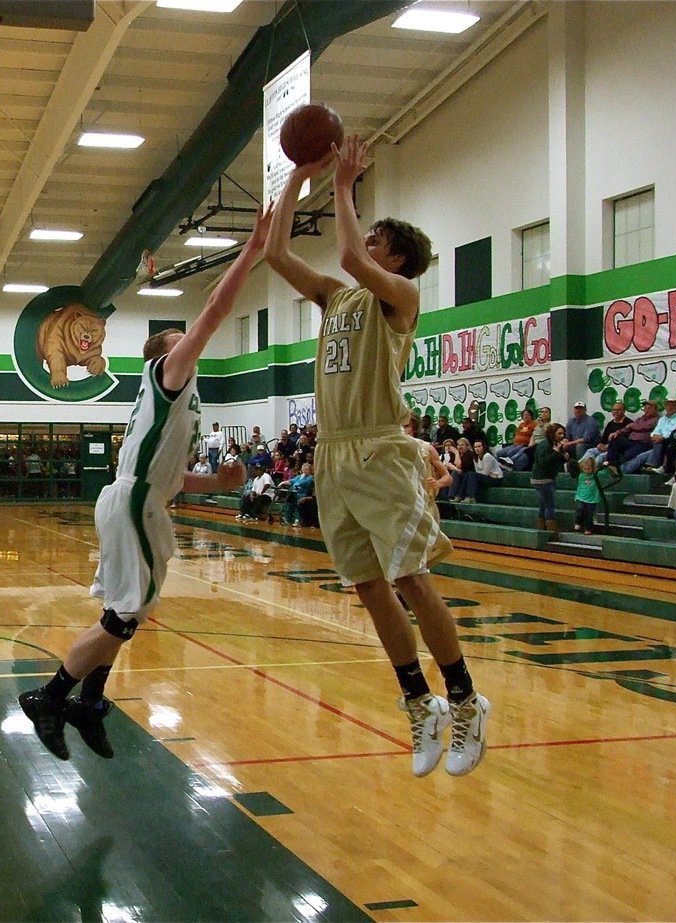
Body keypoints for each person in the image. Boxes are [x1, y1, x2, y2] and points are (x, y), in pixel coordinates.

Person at [265, 136, 489, 778]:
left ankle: (467, 700)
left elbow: (341, 249)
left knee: (412, 579)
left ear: (396, 257)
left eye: (376, 238)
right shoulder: (337, 298)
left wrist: (342, 183)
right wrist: (294, 180)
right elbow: (277, 253)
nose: (364, 243)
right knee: (367, 585)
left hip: (380, 447)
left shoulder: (399, 299)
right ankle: (421, 705)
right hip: (333, 454)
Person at [16, 207, 265, 762]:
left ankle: (91, 701)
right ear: (165, 355)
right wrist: (251, 251)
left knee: (129, 609)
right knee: (125, 615)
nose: (182, 337)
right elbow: (217, 310)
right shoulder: (170, 375)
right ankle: (52, 698)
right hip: (132, 500)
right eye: (175, 337)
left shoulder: (176, 403)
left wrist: (217, 482)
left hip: (139, 497)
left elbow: (173, 481)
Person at [531, 423, 568, 537]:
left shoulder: (554, 444)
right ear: (552, 434)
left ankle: (541, 530)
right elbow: (543, 463)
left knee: (543, 505)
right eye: (559, 433)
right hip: (543, 479)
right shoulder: (544, 445)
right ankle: (551, 532)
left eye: (563, 433)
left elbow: (554, 461)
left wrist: (563, 456)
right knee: (549, 505)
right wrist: (557, 453)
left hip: (546, 478)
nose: (562, 436)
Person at [602, 401, 659, 474]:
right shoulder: (640, 419)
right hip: (631, 441)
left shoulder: (656, 420)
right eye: (645, 408)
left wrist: (632, 426)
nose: (647, 410)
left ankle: (620, 470)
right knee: (615, 439)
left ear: (655, 410)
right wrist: (617, 432)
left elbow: (643, 427)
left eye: (650, 408)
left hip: (643, 444)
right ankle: (611, 464)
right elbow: (626, 428)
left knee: (628, 454)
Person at [639, 398, 676, 474]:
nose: (669, 408)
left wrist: (662, 437)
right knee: (640, 456)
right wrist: (655, 436)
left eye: (672, 406)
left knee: (659, 443)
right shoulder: (663, 419)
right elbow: (656, 431)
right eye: (667, 406)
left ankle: (653, 465)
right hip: (659, 441)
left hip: (674, 441)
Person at [561, 402, 600, 474]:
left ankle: (580, 470)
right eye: (576, 409)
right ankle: (563, 469)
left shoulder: (591, 421)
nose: (578, 411)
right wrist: (565, 442)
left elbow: (586, 439)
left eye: (580, 409)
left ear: (585, 410)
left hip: (590, 445)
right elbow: (567, 436)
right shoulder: (571, 421)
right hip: (573, 445)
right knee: (560, 446)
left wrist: (569, 443)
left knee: (580, 446)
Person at [573, 456, 601, 535]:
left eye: (589, 469)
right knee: (580, 509)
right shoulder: (581, 476)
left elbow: (604, 473)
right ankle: (578, 522)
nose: (587, 471)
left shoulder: (596, 475)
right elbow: (580, 486)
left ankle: (588, 528)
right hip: (581, 497)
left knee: (589, 514)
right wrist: (577, 496)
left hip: (592, 498)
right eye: (585, 469)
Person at [287, 462, 317, 527]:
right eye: (303, 469)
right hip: (294, 493)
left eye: (306, 469)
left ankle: (298, 520)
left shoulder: (310, 478)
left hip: (303, 494)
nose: (305, 471)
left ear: (310, 470)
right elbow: (291, 481)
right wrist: (282, 483)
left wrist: (296, 482)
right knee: (290, 505)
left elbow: (301, 483)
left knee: (299, 506)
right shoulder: (299, 476)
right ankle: (288, 520)